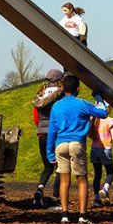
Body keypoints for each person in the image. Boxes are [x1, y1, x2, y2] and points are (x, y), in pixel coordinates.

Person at [46, 77, 110, 224]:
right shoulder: (82, 104)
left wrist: (50, 154)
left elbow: (52, 132)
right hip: (76, 143)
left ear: (63, 88)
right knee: (81, 180)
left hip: (60, 145)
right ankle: (82, 215)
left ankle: (64, 214)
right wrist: (98, 97)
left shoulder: (56, 106)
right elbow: (104, 113)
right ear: (78, 89)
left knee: (64, 180)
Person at [30, 70, 68, 206]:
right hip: (56, 133)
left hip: (41, 133)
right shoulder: (61, 95)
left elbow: (36, 118)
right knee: (60, 166)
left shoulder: (39, 96)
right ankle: (57, 198)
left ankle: (39, 190)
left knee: (47, 166)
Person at [89, 112, 113, 204]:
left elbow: (90, 136)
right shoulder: (110, 120)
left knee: (97, 175)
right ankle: (105, 189)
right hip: (105, 148)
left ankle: (97, 199)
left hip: (94, 149)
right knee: (110, 172)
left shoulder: (94, 121)